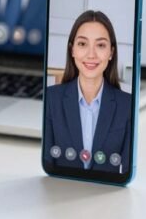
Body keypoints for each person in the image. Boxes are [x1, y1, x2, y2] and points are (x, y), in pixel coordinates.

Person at [43, 10, 132, 172]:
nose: (91, 55)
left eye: (100, 45)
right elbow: (47, 163)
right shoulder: (50, 99)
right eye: (83, 44)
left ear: (111, 52)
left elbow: (126, 169)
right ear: (72, 50)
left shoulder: (128, 105)